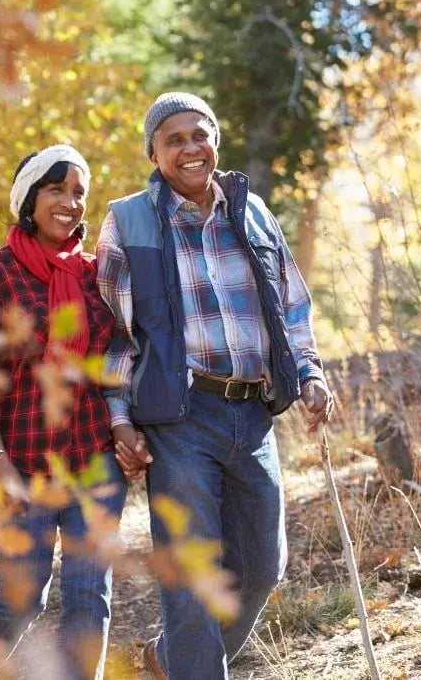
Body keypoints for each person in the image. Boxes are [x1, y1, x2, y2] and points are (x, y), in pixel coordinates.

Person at [96, 93, 334, 679]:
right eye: (173, 139)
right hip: (178, 416)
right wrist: (119, 417)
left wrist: (310, 372)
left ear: (216, 140)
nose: (190, 148)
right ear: (153, 152)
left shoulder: (253, 214)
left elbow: (291, 308)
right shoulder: (128, 221)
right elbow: (112, 334)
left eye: (199, 134)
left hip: (251, 413)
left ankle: (170, 660)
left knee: (261, 569)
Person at [0, 145, 137, 679]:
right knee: (21, 599)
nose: (70, 202)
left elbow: (117, 358)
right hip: (23, 460)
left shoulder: (97, 272)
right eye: (57, 189)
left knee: (89, 601)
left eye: (79, 192)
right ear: (29, 198)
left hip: (94, 459)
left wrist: (125, 425)